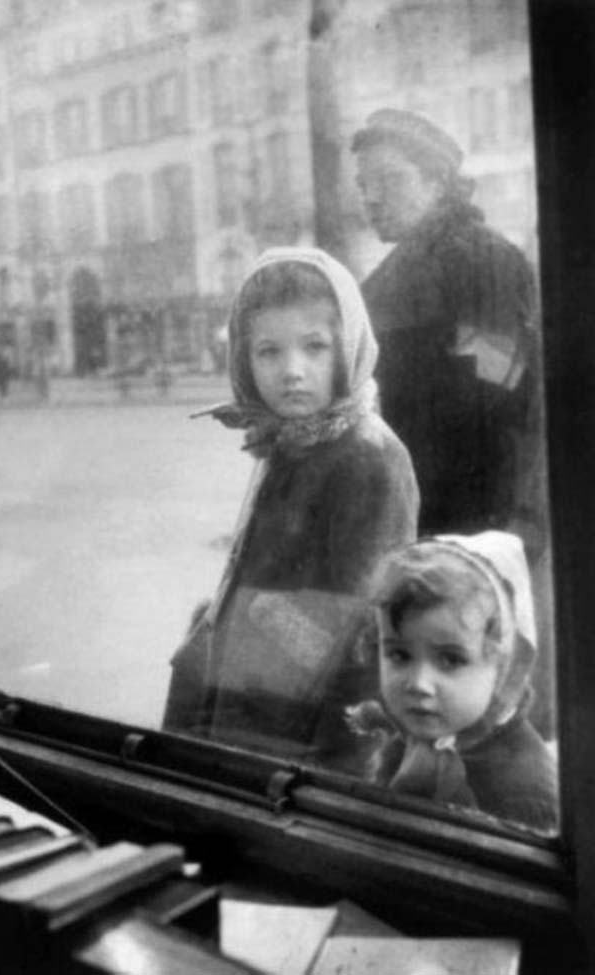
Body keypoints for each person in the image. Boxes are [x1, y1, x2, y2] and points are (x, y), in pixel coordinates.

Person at [162, 246, 419, 759]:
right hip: (253, 706)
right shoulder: (294, 440)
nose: (292, 370)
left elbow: (361, 633)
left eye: (315, 347)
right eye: (269, 351)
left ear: (348, 347)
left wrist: (337, 776)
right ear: (243, 358)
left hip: (300, 737)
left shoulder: (369, 458)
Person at [350, 109, 540, 539]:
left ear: (436, 183)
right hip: (413, 507)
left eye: (390, 180)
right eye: (364, 185)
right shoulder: (391, 275)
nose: (372, 198)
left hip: (471, 517)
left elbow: (507, 385)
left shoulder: (482, 259)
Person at [343, 531, 558, 832]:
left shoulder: (526, 795)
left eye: (451, 660)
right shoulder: (439, 721)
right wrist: (375, 716)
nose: (419, 684)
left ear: (505, 668)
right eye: (400, 654)